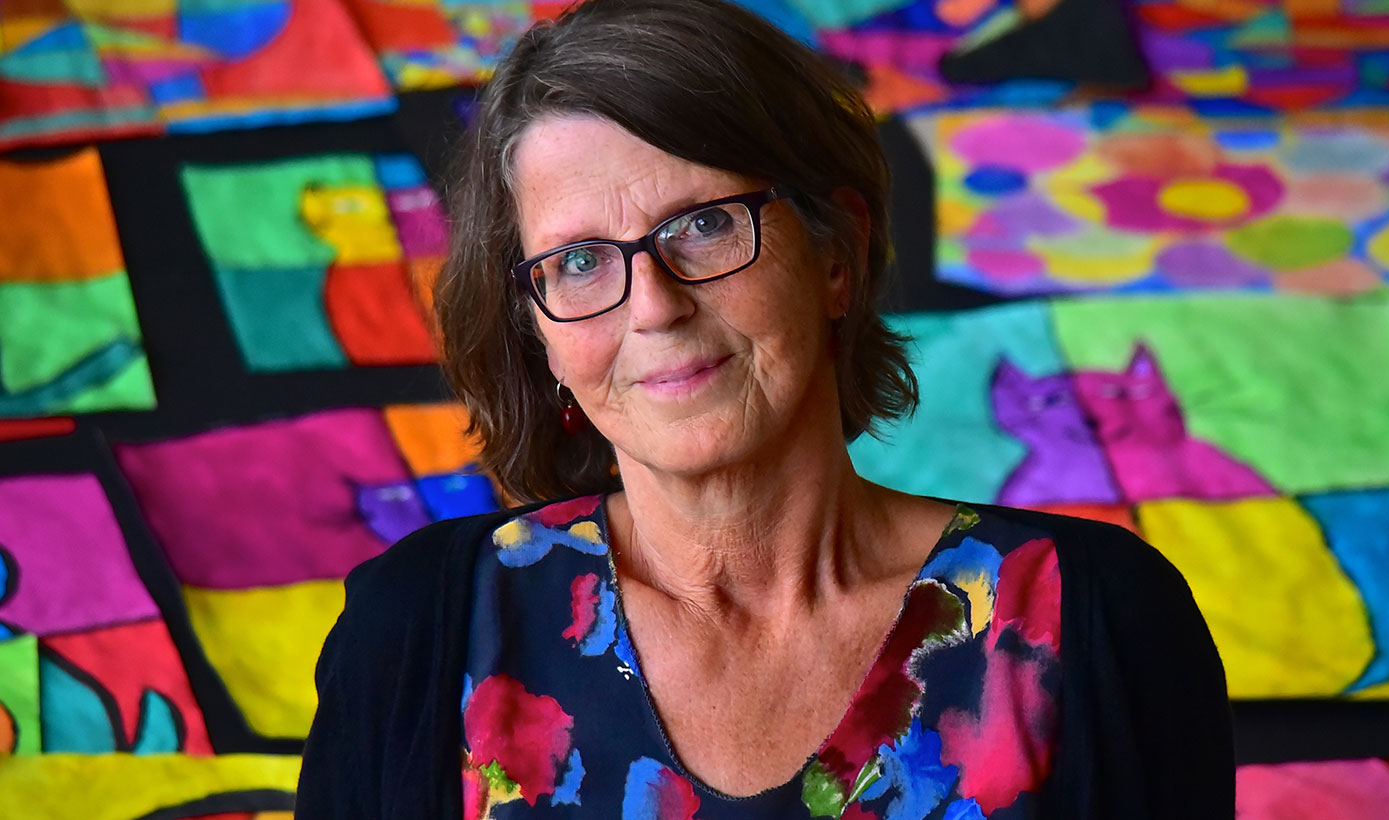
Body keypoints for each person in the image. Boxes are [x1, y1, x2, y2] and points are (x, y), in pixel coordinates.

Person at [295, 0, 1234, 817]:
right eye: (579, 261)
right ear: (538, 330)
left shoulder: (1093, 620)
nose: (653, 305)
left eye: (704, 224)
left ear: (836, 253)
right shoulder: (420, 631)